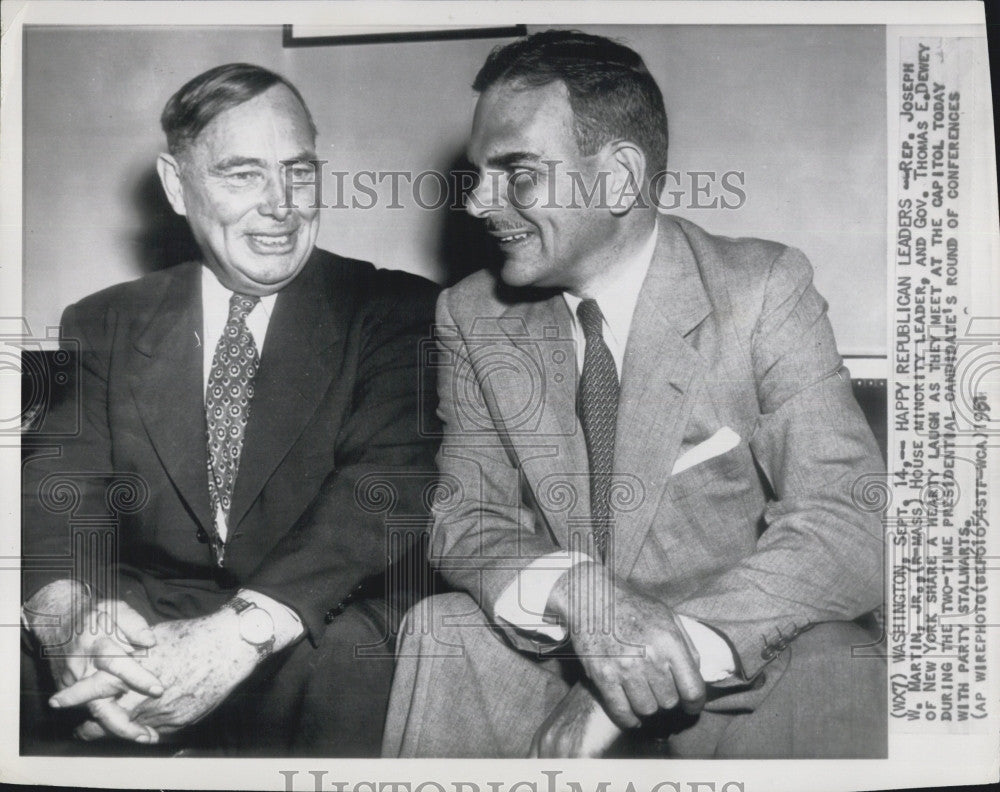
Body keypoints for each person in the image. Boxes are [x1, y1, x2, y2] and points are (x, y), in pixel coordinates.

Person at [383, 30, 887, 759]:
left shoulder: (762, 292)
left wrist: (646, 661)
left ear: (619, 177)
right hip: (557, 657)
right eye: (477, 173)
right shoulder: (473, 314)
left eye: (516, 172)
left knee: (834, 662)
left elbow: (849, 524)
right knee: (443, 629)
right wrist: (586, 601)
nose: (479, 203)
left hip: (737, 668)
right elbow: (465, 518)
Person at [20, 63, 439, 756]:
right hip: (148, 606)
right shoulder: (105, 320)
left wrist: (236, 633)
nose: (281, 203)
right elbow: (61, 487)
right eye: (242, 174)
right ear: (177, 186)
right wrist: (69, 618)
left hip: (314, 613)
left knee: (347, 657)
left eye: (299, 172)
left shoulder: (397, 311)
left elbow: (384, 490)